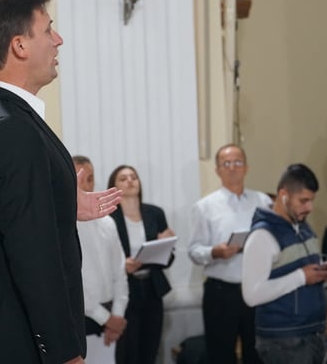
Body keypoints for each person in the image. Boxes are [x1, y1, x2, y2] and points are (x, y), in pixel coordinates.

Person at [0, 0, 121, 364]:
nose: (58, 40)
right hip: (18, 340)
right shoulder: (12, 129)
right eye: (48, 29)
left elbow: (0, 216)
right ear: (20, 45)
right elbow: (32, 256)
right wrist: (63, 353)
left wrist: (62, 202)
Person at [242, 163, 327, 364]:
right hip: (283, 339)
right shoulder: (262, 235)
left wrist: (322, 275)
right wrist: (301, 277)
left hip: (315, 332)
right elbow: (251, 294)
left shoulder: (304, 228)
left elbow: (305, 275)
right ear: (284, 195)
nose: (309, 208)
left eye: (311, 201)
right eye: (303, 201)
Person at [189, 144, 272, 364]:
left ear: (247, 167)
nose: (232, 168)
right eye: (226, 164)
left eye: (237, 162)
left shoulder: (263, 202)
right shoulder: (205, 206)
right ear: (218, 170)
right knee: (221, 354)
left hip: (256, 288)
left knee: (257, 353)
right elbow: (194, 251)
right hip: (221, 292)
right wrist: (214, 252)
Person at [107, 165, 175, 364]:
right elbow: (102, 259)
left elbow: (168, 260)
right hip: (125, 290)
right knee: (128, 352)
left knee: (150, 348)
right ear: (113, 187)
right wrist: (123, 266)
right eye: (123, 178)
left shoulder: (155, 213)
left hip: (152, 288)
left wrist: (166, 246)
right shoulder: (108, 218)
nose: (130, 181)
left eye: (133, 177)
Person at [73, 156, 128, 363]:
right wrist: (105, 318)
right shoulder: (63, 224)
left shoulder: (107, 222)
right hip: (83, 315)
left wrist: (117, 314)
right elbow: (73, 278)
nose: (86, 185)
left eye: (90, 178)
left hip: (112, 314)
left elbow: (119, 271)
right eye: (79, 179)